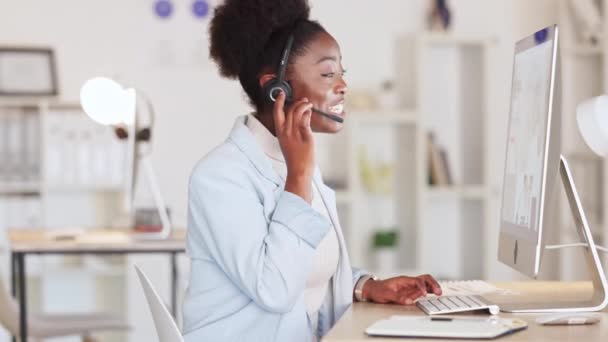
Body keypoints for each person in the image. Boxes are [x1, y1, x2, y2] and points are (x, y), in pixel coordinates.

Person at [183, 1, 442, 341]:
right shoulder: (220, 177)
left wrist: (367, 286)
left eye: (341, 74)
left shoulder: (293, 162)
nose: (342, 86)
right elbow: (274, 288)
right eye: (327, 74)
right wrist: (299, 178)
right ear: (276, 89)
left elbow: (307, 264)